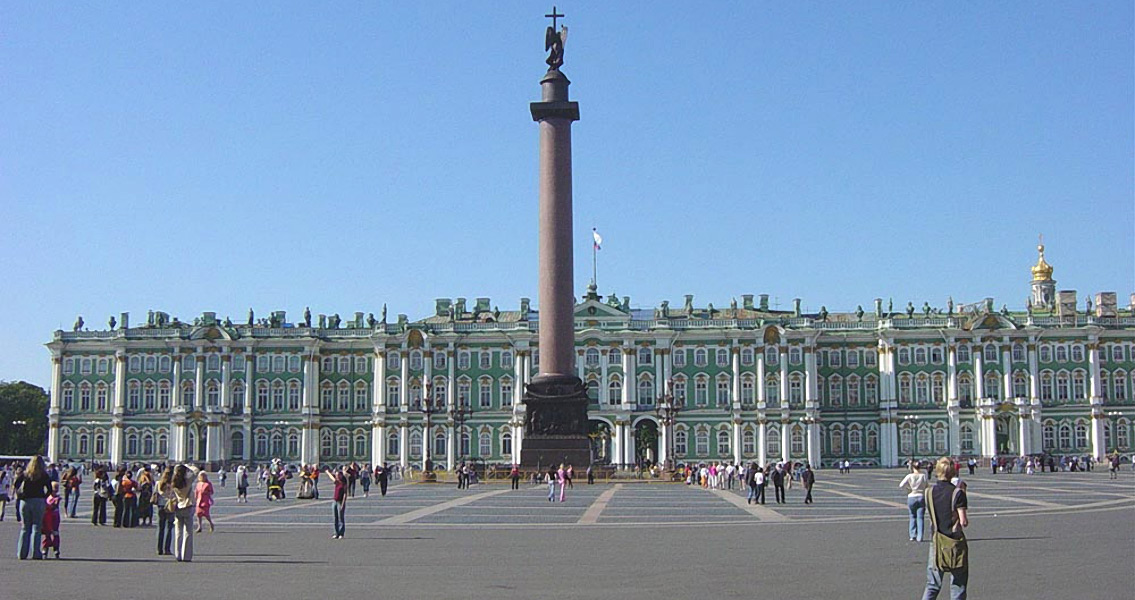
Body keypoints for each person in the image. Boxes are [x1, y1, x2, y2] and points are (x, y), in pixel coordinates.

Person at [922, 457, 969, 600]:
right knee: (958, 583)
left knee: (933, 583)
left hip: (936, 540)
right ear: (953, 473)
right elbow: (964, 521)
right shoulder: (958, 493)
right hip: (954, 542)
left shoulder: (928, 492)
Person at [14, 455, 53, 560]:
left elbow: (16, 484)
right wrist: (44, 496)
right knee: (37, 528)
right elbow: (49, 489)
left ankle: (21, 553)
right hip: (38, 501)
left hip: (25, 501)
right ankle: (36, 553)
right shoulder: (44, 475)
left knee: (25, 528)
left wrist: (20, 494)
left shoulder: (26, 474)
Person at [170, 464, 199, 562]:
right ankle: (186, 556)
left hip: (178, 507)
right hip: (187, 507)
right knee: (188, 532)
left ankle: (177, 554)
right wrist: (188, 466)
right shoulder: (188, 481)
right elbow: (196, 471)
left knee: (178, 532)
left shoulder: (174, 482)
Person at [900, 462, 930, 542]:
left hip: (911, 496)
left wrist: (909, 488)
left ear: (912, 468)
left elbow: (901, 485)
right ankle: (920, 537)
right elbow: (927, 486)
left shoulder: (909, 476)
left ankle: (912, 535)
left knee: (912, 516)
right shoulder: (923, 476)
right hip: (921, 496)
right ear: (920, 467)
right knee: (920, 517)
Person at [153, 467, 175, 555]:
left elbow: (155, 493)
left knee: (160, 528)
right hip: (170, 507)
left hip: (160, 506)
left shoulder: (158, 483)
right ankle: (167, 549)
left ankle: (159, 549)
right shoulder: (173, 484)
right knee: (169, 528)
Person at [40, 482, 62, 559]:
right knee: (47, 533)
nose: (55, 491)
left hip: (55, 518)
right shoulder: (47, 498)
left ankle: (56, 548)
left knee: (55, 533)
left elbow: (54, 505)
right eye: (54, 489)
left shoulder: (57, 498)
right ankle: (45, 548)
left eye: (57, 489)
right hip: (47, 518)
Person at [329, 467, 348, 539]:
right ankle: (336, 533)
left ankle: (341, 533)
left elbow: (345, 494)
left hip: (340, 502)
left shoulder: (343, 483)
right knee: (335, 518)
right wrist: (328, 473)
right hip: (335, 501)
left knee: (341, 518)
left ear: (341, 475)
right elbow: (332, 478)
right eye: (336, 475)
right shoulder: (336, 481)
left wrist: (343, 503)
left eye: (338, 475)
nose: (336, 476)